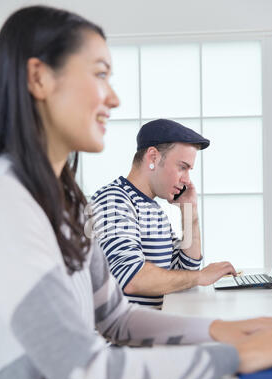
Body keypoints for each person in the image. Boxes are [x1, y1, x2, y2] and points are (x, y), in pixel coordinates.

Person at [0, 5, 272, 379]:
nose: (114, 98)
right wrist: (235, 354)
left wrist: (224, 330)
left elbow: (115, 316)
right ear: (39, 78)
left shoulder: (66, 202)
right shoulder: (6, 202)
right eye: (100, 74)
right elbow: (83, 369)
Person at [91, 119, 236, 308]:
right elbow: (132, 278)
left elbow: (184, 270)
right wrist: (201, 277)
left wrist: (189, 212)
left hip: (152, 327)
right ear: (153, 158)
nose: (186, 180)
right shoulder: (114, 201)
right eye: (182, 167)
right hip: (122, 336)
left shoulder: (153, 209)